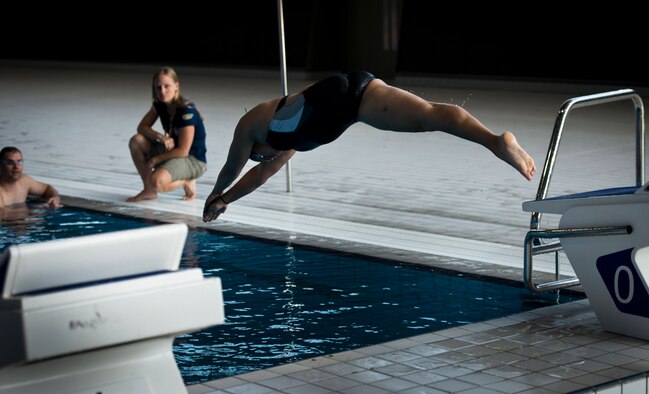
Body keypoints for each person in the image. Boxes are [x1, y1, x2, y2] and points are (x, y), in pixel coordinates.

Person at [202, 70, 536, 222]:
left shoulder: (252, 124)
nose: (260, 161)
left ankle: (495, 142)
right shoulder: (285, 148)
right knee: (428, 116)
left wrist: (215, 194)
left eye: (257, 157)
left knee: (428, 118)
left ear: (256, 148)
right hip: (357, 89)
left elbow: (233, 169)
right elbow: (258, 177)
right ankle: (495, 140)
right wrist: (225, 200)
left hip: (343, 100)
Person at [127, 66, 208, 202]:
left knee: (157, 181)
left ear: (176, 86)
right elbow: (142, 127)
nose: (162, 91)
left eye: (167, 86)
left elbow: (183, 151)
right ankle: (149, 191)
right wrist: (161, 136)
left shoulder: (185, 111)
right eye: (158, 87)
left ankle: (187, 181)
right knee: (136, 141)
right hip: (173, 151)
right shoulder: (160, 105)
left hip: (193, 159)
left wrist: (155, 160)